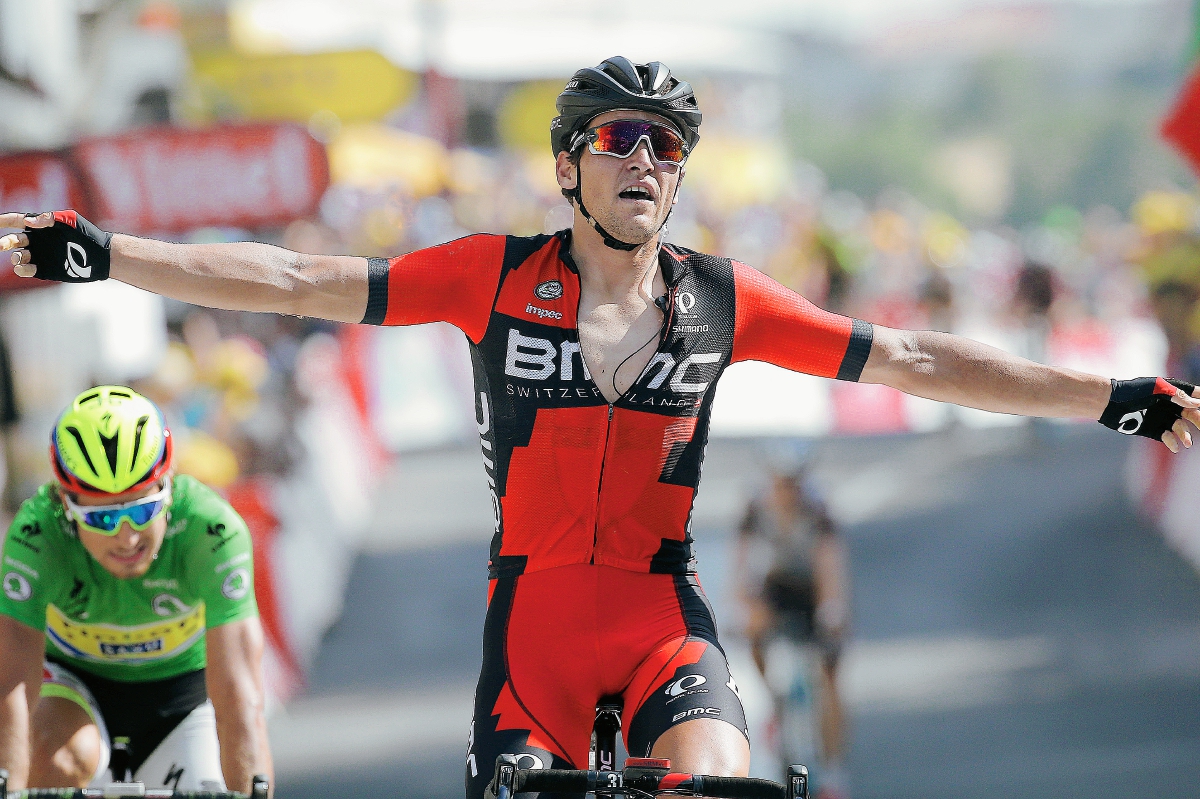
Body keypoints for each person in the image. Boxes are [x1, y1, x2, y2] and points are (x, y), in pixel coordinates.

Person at [1, 56, 1198, 798]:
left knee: (720, 783)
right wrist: (110, 257)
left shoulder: (725, 300)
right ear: (570, 166)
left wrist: (1117, 399)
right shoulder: (489, 273)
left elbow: (922, 356)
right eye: (619, 139)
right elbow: (295, 277)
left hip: (660, 620)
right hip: (530, 638)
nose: (645, 159)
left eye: (666, 146)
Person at [0, 386, 273, 792]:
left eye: (143, 508)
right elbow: (12, 691)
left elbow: (239, 698)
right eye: (102, 518)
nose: (127, 538)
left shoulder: (211, 531)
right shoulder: (36, 538)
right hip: (75, 689)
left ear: (170, 482)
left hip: (182, 696)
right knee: (53, 756)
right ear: (65, 501)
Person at [735, 442, 848, 798]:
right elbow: (739, 566)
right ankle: (772, 698)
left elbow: (831, 566)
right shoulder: (755, 507)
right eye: (780, 484)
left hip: (811, 587)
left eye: (793, 484)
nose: (787, 492)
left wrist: (832, 611)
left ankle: (833, 769)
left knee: (830, 673)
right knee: (754, 630)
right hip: (776, 586)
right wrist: (744, 606)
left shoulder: (817, 508)